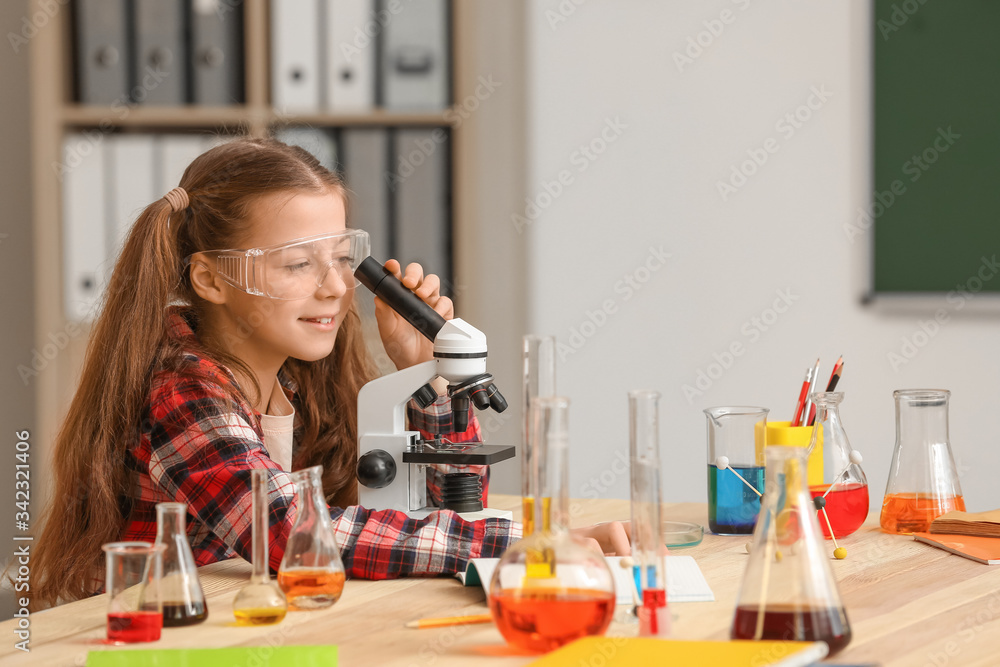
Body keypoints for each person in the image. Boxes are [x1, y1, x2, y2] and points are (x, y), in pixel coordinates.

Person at [30, 138, 629, 609]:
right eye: (297, 264)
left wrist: (423, 374)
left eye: (343, 259)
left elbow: (445, 503)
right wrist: (518, 546)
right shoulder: (182, 389)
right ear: (211, 278)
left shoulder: (294, 378)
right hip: (152, 641)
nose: (337, 287)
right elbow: (287, 530)